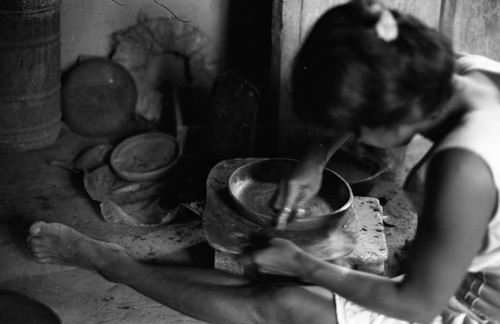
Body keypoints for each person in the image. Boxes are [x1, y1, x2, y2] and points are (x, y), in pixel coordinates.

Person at [28, 0, 500, 323]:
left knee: (286, 303)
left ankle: (116, 266)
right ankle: (115, 261)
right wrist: (313, 161)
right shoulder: (461, 73)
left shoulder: (460, 171)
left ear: (390, 111)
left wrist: (309, 265)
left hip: (473, 307)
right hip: (465, 277)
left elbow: (418, 304)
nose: (352, 136)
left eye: (356, 127)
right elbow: (370, 85)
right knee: (288, 289)